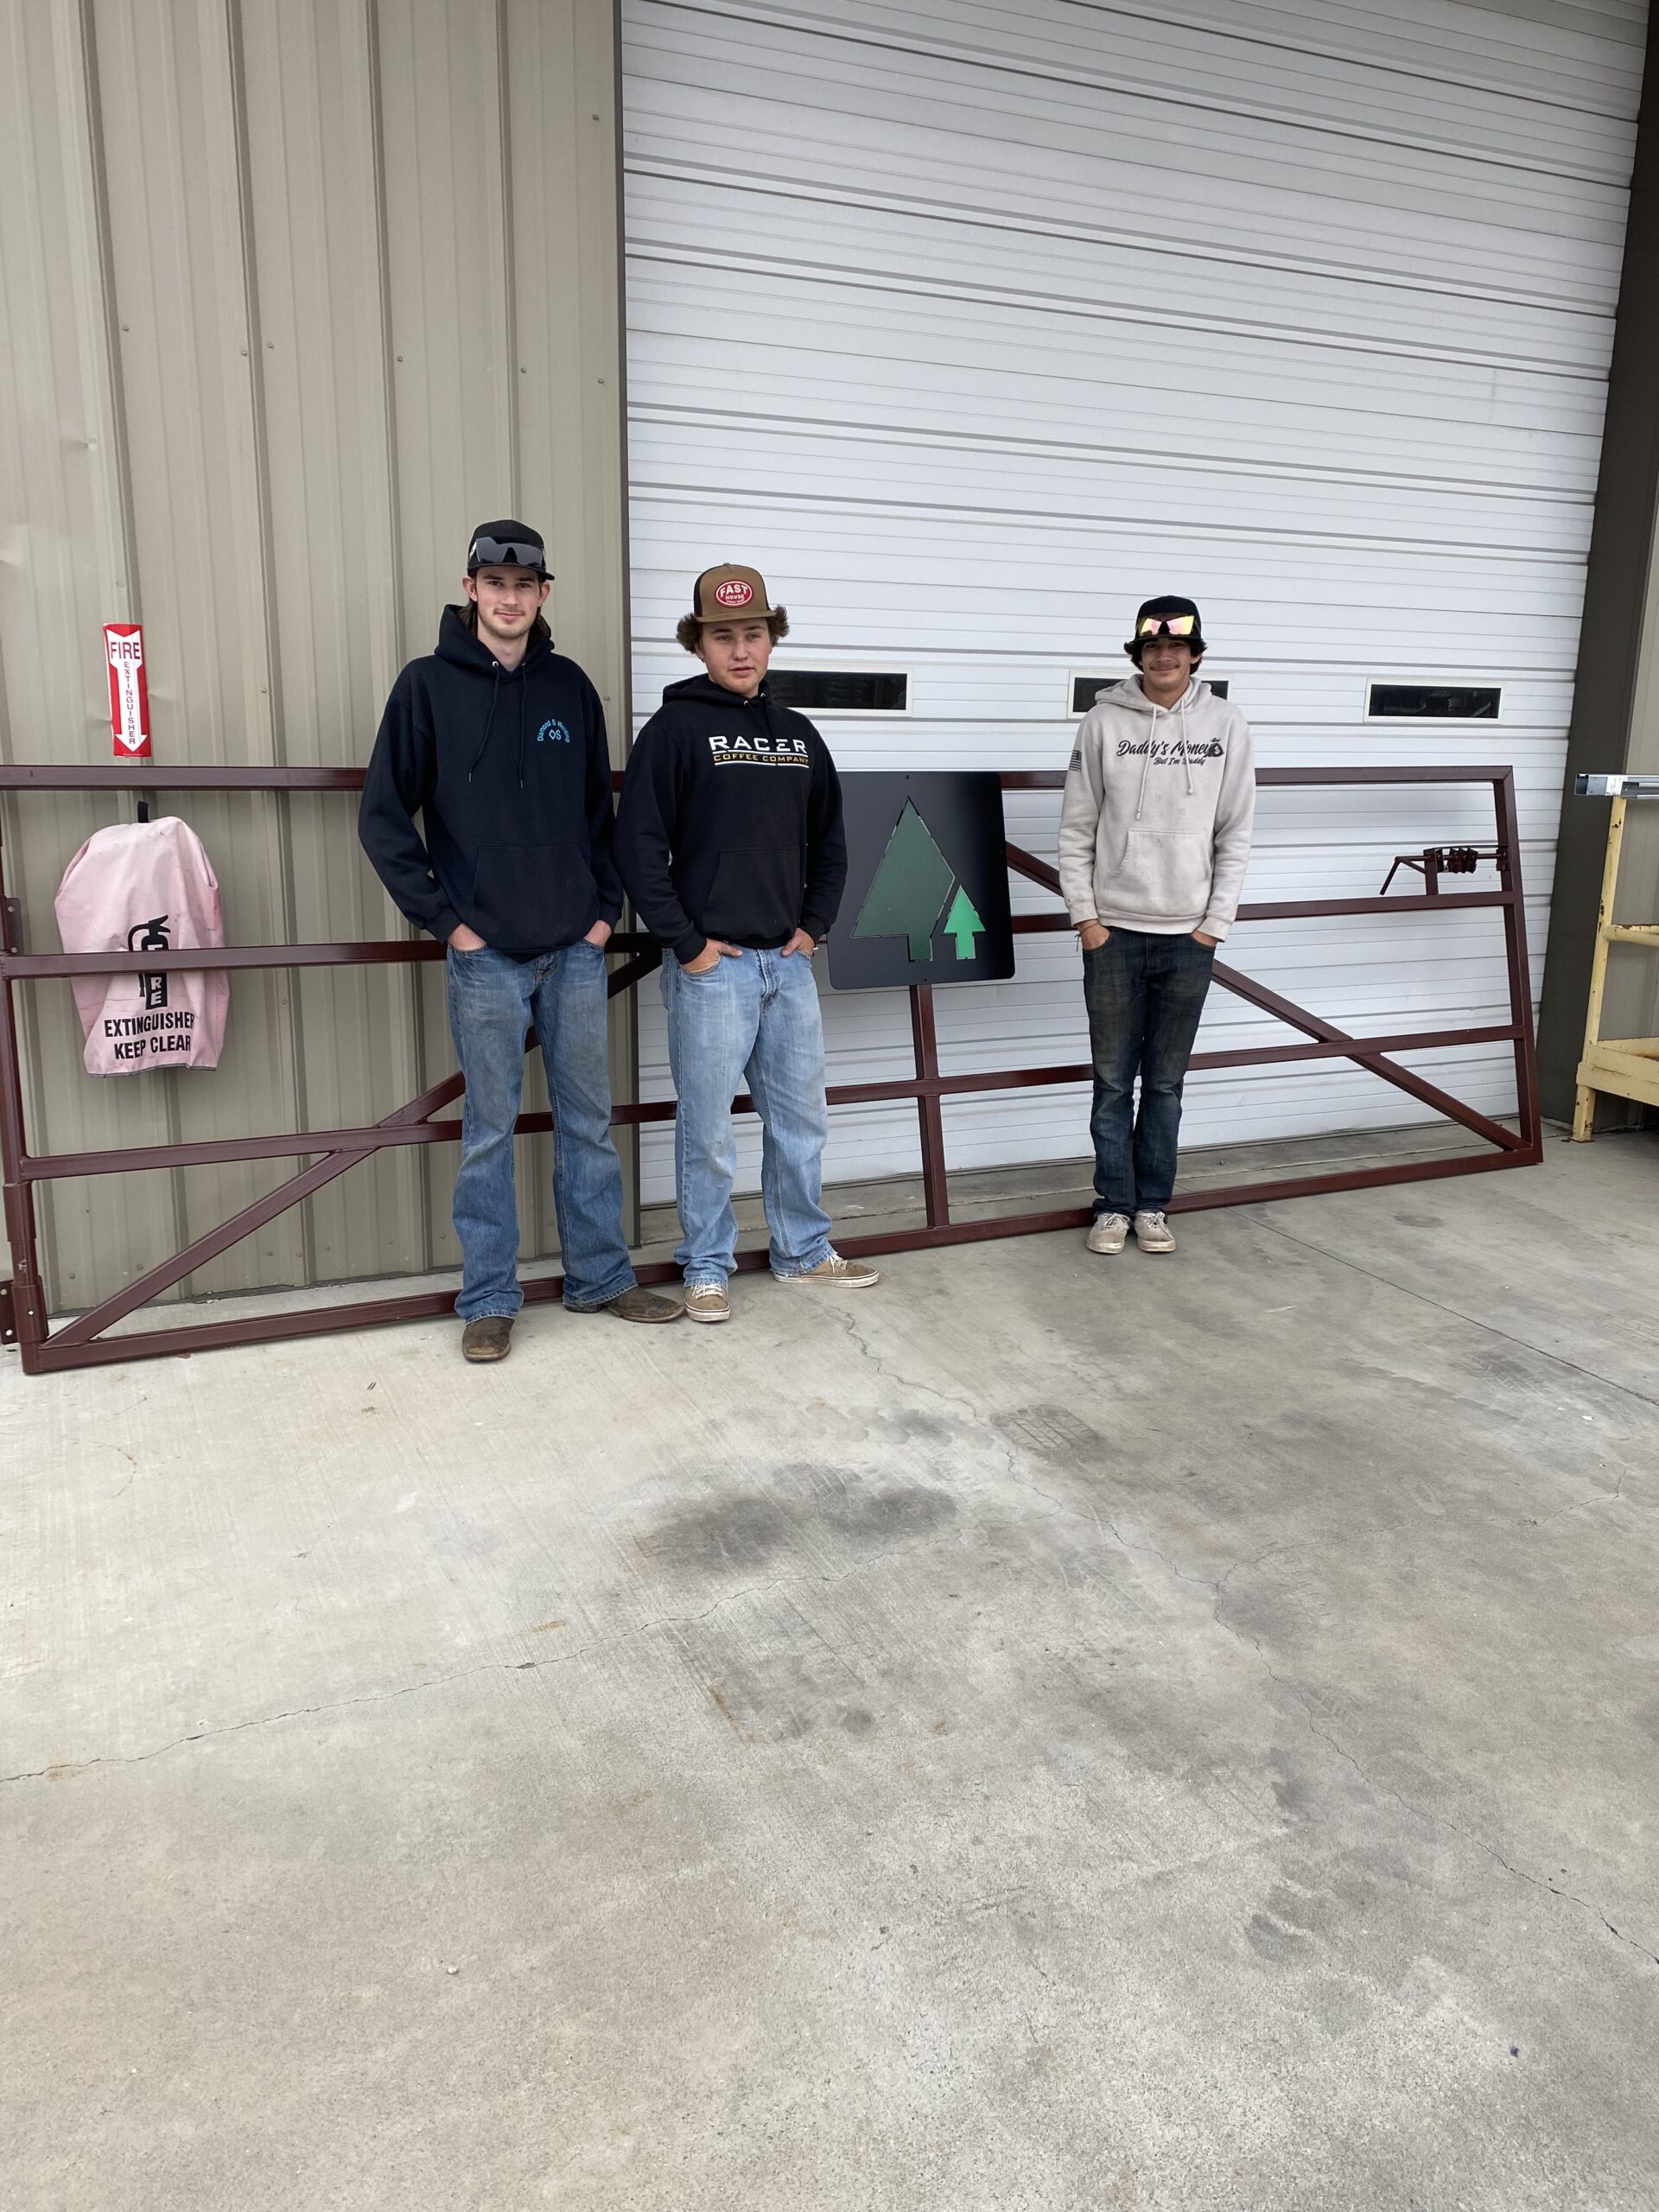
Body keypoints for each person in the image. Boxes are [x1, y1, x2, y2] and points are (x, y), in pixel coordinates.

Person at [359, 520, 681, 1361]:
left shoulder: (570, 688)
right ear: (471, 588)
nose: (509, 598)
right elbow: (385, 818)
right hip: (485, 957)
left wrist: (602, 911)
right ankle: (490, 1298)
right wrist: (447, 923)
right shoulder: (426, 687)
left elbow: (598, 816)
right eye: (494, 583)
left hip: (574, 948)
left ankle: (602, 1279)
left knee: (586, 1124)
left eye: (524, 584)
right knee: (490, 1133)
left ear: (544, 593)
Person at [613, 563, 879, 1322]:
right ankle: (705, 1266)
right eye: (722, 635)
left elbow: (831, 841)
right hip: (713, 969)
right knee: (707, 1126)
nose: (740, 649)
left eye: (753, 634)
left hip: (787, 966)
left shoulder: (799, 734)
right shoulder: (672, 731)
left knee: (801, 1119)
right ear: (698, 644)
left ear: (772, 639)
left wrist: (814, 926)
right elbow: (638, 847)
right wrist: (687, 943)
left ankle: (801, 1251)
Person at [1057, 594, 1255, 1255]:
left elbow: (1237, 831)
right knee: (1113, 1079)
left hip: (1189, 936)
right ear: (1138, 654)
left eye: (1177, 647)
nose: (1164, 656)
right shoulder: (1103, 723)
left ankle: (1152, 1205)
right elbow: (1077, 828)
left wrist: (1213, 924)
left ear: (1196, 654)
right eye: (1152, 647)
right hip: (1113, 931)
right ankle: (1112, 1204)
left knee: (1165, 1082)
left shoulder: (1226, 724)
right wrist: (1086, 917)